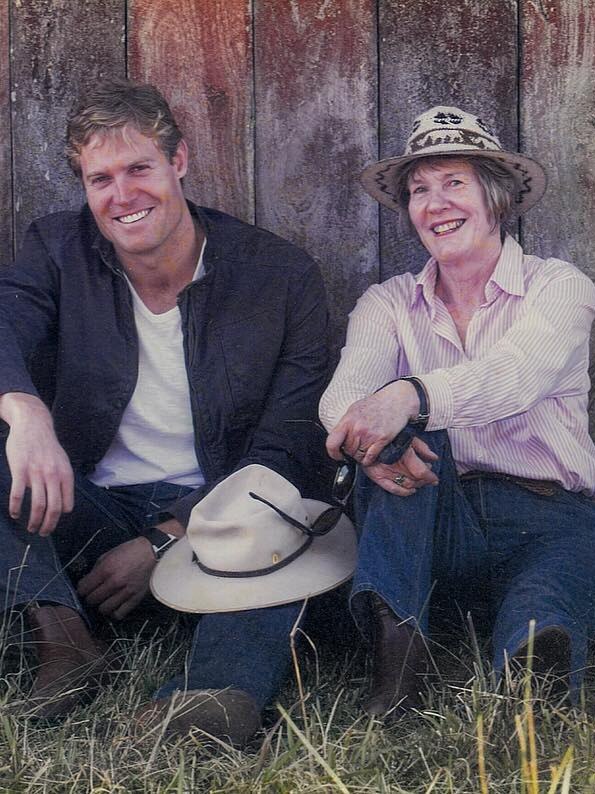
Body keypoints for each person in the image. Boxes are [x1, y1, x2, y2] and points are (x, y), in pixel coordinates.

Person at [0, 77, 330, 743]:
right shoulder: (58, 250)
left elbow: (288, 445)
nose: (122, 195)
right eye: (100, 179)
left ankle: (211, 698)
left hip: (220, 523)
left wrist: (166, 537)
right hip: (87, 518)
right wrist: (27, 414)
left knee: (288, 518)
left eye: (139, 169)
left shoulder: (280, 276)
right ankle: (63, 641)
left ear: (178, 163)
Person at [320, 105, 595, 716]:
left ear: (495, 197)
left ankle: (530, 682)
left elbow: (518, 376)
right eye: (420, 189)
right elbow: (342, 400)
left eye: (453, 183)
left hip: (547, 512)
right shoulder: (388, 302)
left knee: (546, 609)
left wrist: (410, 396)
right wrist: (378, 436)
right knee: (397, 454)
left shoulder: (561, 287)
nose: (434, 202)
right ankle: (397, 671)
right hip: (431, 515)